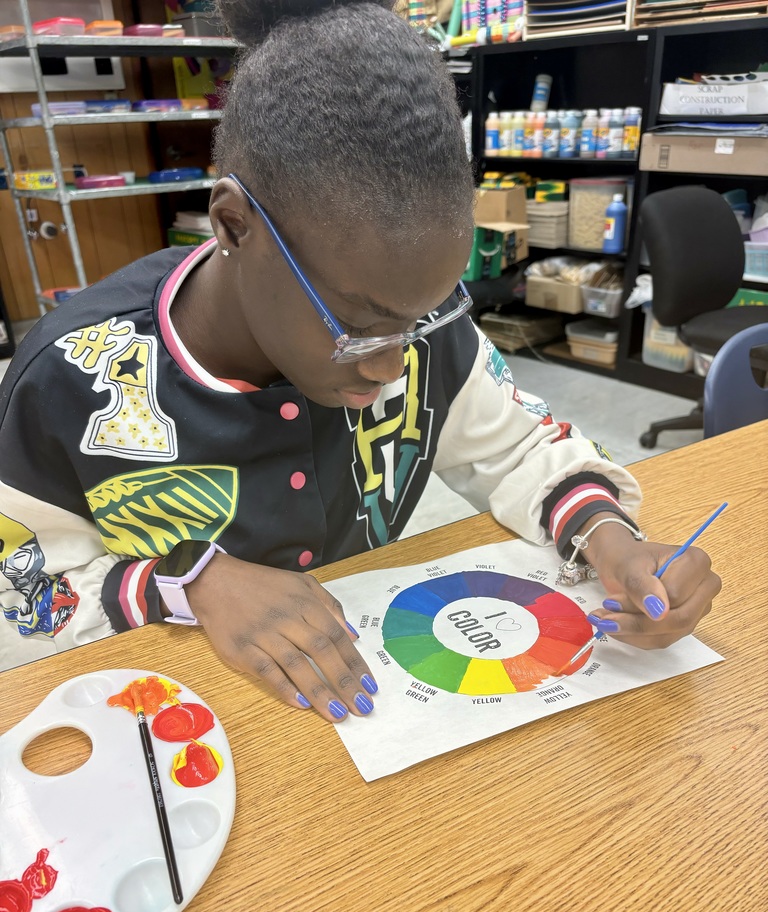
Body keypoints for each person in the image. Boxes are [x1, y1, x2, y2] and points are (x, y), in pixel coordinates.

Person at [0, 0, 720, 719]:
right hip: (188, 725)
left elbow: (517, 450)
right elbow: (21, 598)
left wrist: (609, 538)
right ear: (232, 224)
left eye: (420, 317)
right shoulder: (67, 380)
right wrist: (190, 581)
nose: (390, 366)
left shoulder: (415, 323)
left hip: (367, 704)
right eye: (358, 326)